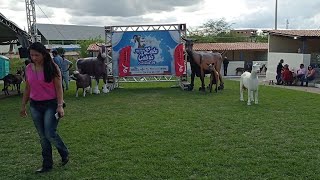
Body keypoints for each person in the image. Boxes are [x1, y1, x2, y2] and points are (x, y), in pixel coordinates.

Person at [20, 42, 69, 173]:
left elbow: (59, 88)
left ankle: (64, 152)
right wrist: (23, 105)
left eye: (37, 55)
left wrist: (60, 106)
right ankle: (47, 164)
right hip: (35, 105)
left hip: (51, 104)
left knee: (49, 133)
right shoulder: (29, 68)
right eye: (31, 55)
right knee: (42, 136)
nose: (34, 58)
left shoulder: (53, 67)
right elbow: (28, 88)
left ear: (43, 54)